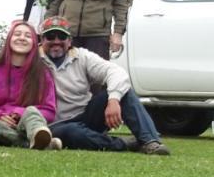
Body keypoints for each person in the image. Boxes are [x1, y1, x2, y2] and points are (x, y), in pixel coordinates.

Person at [38, 16, 171, 155]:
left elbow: (116, 72)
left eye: (62, 36)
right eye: (50, 36)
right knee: (70, 133)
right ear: (42, 40)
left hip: (86, 115)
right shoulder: (33, 59)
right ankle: (124, 144)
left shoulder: (82, 56)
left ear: (70, 41)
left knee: (123, 90)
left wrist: (113, 99)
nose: (56, 41)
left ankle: (150, 141)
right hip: (56, 124)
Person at [0, 20, 59, 149]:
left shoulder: (43, 73)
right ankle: (29, 144)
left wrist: (20, 113)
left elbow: (49, 111)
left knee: (31, 111)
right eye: (17, 34)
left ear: (34, 43)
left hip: (27, 126)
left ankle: (35, 137)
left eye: (28, 36)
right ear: (9, 39)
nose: (22, 38)